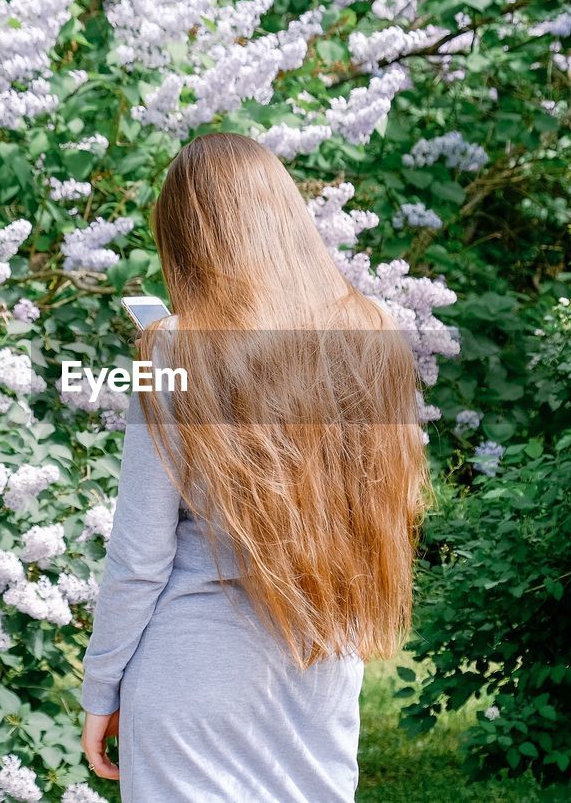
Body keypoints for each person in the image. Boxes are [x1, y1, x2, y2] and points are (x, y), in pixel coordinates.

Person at [79, 132, 429, 802]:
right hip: (322, 667)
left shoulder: (175, 346)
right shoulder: (371, 330)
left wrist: (102, 687)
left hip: (191, 676)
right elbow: (385, 497)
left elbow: (140, 553)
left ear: (187, 239)